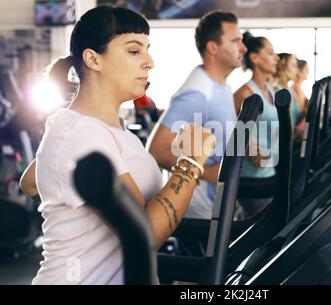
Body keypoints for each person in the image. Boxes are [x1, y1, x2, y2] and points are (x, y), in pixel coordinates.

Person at [19, 5, 215, 285]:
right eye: (134, 51)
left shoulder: (104, 128)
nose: (149, 62)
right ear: (93, 59)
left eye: (147, 50)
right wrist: (191, 162)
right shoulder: (80, 132)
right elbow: (144, 233)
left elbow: (31, 182)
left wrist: (75, 215)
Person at [147, 11, 247, 219]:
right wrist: (211, 172)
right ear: (212, 47)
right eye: (236, 41)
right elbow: (157, 150)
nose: (243, 48)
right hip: (198, 210)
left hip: (218, 202)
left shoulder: (222, 85)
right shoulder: (198, 92)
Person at [233, 32, 279, 216]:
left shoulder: (270, 90)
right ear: (254, 58)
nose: (276, 58)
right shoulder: (244, 94)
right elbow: (243, 143)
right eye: (270, 53)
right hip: (251, 179)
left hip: (269, 174)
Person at [273, 53, 303, 140]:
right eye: (293, 66)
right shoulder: (276, 90)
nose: (296, 71)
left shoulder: (291, 91)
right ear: (282, 66)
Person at [290, 59, 309, 134]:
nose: (308, 72)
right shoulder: (296, 88)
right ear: (299, 71)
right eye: (306, 69)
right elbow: (301, 112)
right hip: (297, 131)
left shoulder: (298, 88)